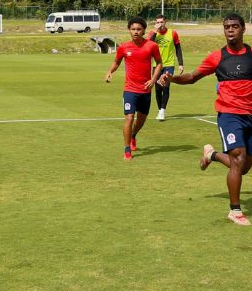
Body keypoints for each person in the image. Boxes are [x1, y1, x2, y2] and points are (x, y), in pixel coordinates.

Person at [159, 14, 252, 226]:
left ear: (243, 29)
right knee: (238, 159)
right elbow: (192, 77)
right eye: (227, 27)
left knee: (244, 167)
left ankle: (212, 155)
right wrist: (172, 78)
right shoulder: (217, 57)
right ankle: (235, 211)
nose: (230, 30)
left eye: (235, 26)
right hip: (229, 115)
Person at [105, 16, 163, 160]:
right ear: (129, 30)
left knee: (141, 119)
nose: (136, 32)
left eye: (139, 29)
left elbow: (159, 63)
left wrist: (153, 79)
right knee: (129, 118)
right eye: (133, 29)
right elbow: (116, 62)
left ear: (144, 31)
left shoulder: (152, 46)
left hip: (145, 89)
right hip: (130, 89)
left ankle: (133, 135)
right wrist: (110, 71)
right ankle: (127, 150)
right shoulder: (124, 47)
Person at [147, 14, 184, 121]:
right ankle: (160, 110)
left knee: (166, 86)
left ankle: (163, 110)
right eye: (157, 22)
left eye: (161, 22)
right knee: (158, 89)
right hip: (156, 65)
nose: (160, 24)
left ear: (165, 22)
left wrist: (181, 64)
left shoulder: (173, 33)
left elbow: (178, 48)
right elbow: (148, 45)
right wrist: (155, 31)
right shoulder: (152, 33)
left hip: (169, 64)